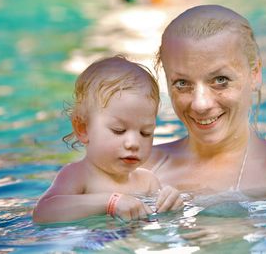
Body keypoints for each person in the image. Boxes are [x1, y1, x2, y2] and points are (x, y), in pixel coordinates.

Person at [144, 4, 266, 197]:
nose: (200, 104)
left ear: (255, 74)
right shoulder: (141, 168)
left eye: (220, 81)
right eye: (182, 83)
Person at [33, 56, 183, 223]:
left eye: (145, 133)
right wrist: (110, 202)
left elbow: (160, 224)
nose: (133, 143)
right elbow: (43, 212)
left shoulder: (148, 182)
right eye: (118, 131)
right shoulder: (79, 175)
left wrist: (171, 204)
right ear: (83, 129)